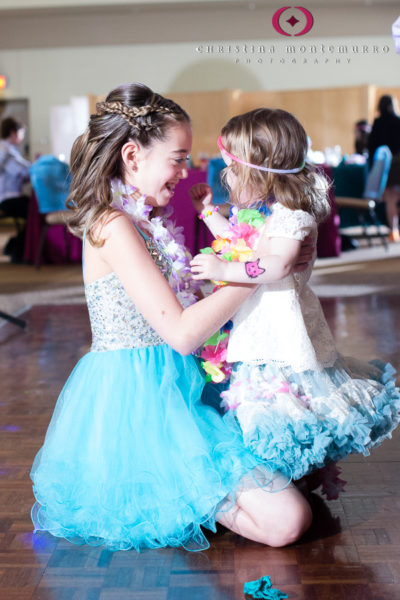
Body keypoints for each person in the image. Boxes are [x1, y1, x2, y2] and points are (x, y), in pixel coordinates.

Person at [30, 84, 313, 553]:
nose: (188, 171)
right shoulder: (113, 225)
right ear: (132, 156)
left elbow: (188, 301)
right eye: (178, 158)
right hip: (141, 403)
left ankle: (194, 493)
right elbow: (182, 333)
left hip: (185, 383)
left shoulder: (148, 220)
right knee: (288, 522)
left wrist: (262, 264)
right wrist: (255, 275)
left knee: (295, 474)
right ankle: (178, 490)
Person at [190, 108, 400, 487]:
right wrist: (207, 215)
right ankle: (284, 478)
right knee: (267, 404)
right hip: (258, 324)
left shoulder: (293, 215)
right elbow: (243, 245)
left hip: (281, 332)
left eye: (233, 170)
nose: (228, 178)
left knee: (287, 403)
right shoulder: (270, 213)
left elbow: (277, 265)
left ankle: (291, 479)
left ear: (262, 169)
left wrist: (223, 272)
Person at [368, 94, 400, 242]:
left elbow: (372, 148)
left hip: (387, 166)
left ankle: (393, 231)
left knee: (391, 201)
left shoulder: (378, 123)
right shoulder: (398, 121)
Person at [0, 116, 31, 262]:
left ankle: (13, 247)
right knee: (35, 212)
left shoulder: (9, 150)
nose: (22, 137)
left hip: (9, 197)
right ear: (13, 133)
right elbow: (22, 172)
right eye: (21, 133)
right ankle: (17, 251)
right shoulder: (5, 150)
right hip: (8, 198)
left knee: (33, 209)